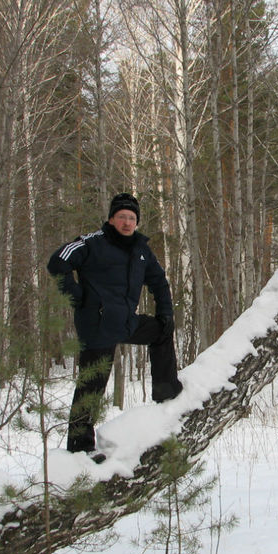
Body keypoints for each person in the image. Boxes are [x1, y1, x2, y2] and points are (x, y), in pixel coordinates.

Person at [47, 192, 183, 460]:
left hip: (125, 320)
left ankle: (167, 393)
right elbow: (57, 263)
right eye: (122, 216)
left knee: (162, 332)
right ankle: (80, 449)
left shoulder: (141, 250)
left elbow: (159, 282)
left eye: (132, 218)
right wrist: (76, 296)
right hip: (96, 323)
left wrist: (165, 314)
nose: (127, 222)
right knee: (92, 386)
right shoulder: (91, 243)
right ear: (111, 219)